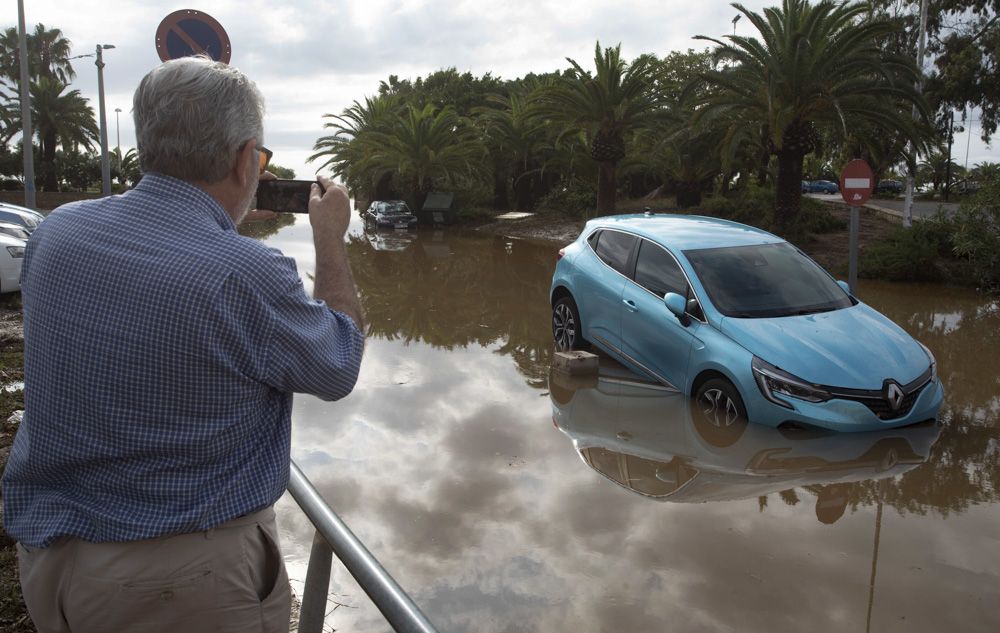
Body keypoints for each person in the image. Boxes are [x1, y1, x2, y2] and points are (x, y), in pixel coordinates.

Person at [2, 55, 365, 633]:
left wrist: (229, 214)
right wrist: (330, 240)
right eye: (260, 157)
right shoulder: (249, 273)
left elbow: (170, 261)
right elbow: (337, 363)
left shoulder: (57, 232)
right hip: (178, 583)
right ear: (246, 158)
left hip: (52, 555)